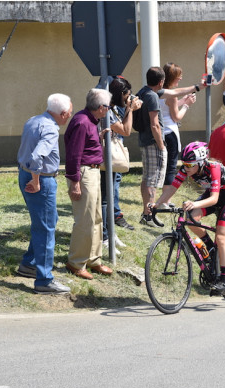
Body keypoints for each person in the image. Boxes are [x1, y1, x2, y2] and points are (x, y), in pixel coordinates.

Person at [151, 142, 225, 295]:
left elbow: (214, 198)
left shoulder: (214, 168)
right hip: (213, 195)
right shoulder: (187, 169)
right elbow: (173, 187)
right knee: (191, 217)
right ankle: (211, 249)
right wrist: (157, 203)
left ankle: (224, 281)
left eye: (189, 165)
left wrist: (194, 203)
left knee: (221, 236)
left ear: (200, 163)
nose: (186, 168)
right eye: (184, 164)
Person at [16, 93, 73, 294]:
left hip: (24, 173)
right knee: (46, 229)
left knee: (46, 221)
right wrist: (36, 180)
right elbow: (36, 156)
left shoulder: (34, 120)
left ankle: (29, 264)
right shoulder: (50, 128)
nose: (69, 117)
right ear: (63, 113)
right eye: (69, 113)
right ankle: (44, 280)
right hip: (41, 179)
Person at [136, 66, 202, 226]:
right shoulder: (152, 96)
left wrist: (198, 87)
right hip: (153, 142)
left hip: (144, 140)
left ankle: (146, 213)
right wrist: (161, 145)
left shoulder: (145, 91)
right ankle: (148, 215)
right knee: (152, 181)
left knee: (147, 179)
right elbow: (155, 125)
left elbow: (174, 93)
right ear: (161, 82)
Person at [64, 88, 114, 280]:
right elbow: (73, 154)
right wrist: (75, 182)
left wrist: (98, 137)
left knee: (96, 218)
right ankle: (76, 262)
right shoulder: (82, 122)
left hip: (92, 172)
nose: (108, 111)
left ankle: (93, 259)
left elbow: (84, 146)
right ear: (101, 108)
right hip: (84, 174)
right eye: (108, 107)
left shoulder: (90, 121)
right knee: (85, 220)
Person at [101, 76, 142, 256]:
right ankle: (104, 237)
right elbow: (126, 130)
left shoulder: (113, 109)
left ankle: (111, 233)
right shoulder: (106, 110)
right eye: (127, 95)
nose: (128, 97)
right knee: (105, 200)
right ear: (119, 94)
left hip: (110, 159)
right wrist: (130, 110)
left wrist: (127, 109)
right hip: (103, 160)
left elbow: (124, 127)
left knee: (109, 198)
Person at [159, 63, 197, 198]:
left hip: (161, 133)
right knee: (171, 167)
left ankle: (163, 198)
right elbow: (176, 117)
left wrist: (182, 101)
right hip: (170, 133)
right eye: (178, 76)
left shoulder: (160, 91)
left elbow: (167, 108)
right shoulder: (172, 95)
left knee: (164, 166)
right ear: (172, 77)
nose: (180, 78)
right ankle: (165, 200)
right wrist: (187, 105)